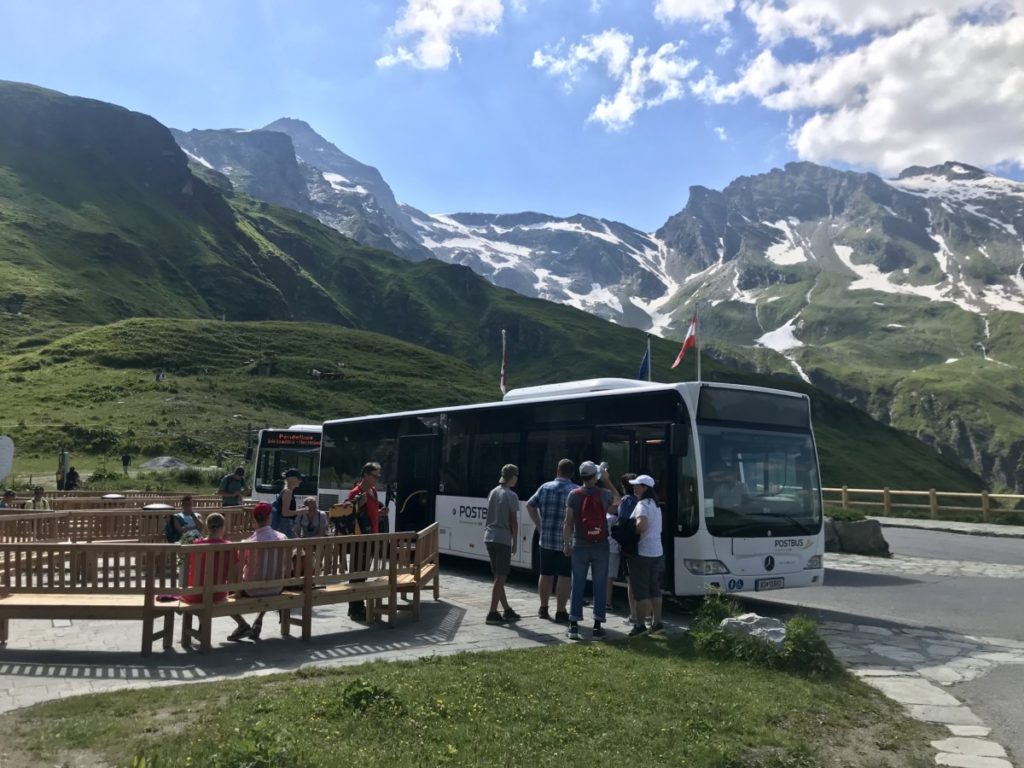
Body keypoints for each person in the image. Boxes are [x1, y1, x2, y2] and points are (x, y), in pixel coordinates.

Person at [563, 461, 620, 641]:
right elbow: (618, 501)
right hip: (600, 545)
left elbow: (568, 522)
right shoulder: (603, 494)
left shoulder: (574, 495)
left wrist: (567, 543)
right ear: (595, 476)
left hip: (580, 544)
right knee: (600, 584)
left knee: (577, 583)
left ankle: (573, 625)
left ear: (581, 476)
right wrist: (607, 480)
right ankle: (597, 626)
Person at [228, 502, 288, 641]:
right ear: (269, 517)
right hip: (276, 588)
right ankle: (259, 618)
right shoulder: (283, 538)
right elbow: (287, 566)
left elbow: (236, 569)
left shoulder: (247, 542)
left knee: (230, 585)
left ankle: (242, 624)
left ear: (254, 519)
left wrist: (237, 591)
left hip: (251, 590)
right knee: (268, 576)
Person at [526, 459, 577, 622]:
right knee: (564, 576)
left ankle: (543, 608)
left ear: (557, 470)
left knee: (545, 574)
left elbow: (530, 505)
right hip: (566, 541)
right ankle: (561, 611)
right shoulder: (575, 490)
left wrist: (540, 524)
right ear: (572, 473)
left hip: (546, 538)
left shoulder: (545, 487)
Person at [345, 462, 383, 621]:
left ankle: (357, 606)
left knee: (363, 573)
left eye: (378, 476)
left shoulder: (373, 491)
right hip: (359, 540)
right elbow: (349, 514)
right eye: (374, 476)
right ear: (366, 475)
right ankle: (355, 608)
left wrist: (381, 513)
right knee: (357, 573)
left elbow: (370, 514)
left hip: (371, 537)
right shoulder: (356, 492)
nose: (376, 479)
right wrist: (359, 503)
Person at [484, 464, 522, 625]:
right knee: (501, 576)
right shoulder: (511, 495)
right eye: (516, 476)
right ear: (512, 477)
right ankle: (492, 612)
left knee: (497, 576)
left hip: (489, 536)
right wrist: (515, 542)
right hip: (502, 538)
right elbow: (513, 521)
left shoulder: (493, 492)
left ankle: (507, 610)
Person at [627, 474, 664, 637]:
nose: (634, 487)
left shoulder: (642, 505)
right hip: (656, 551)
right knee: (654, 588)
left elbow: (641, 526)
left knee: (641, 590)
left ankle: (640, 625)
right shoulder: (656, 505)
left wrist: (627, 531)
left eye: (638, 485)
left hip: (642, 552)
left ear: (646, 488)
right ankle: (657, 622)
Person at [181, 512, 232, 605]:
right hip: (219, 595)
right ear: (222, 528)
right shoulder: (229, 547)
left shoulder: (196, 545)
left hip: (195, 595)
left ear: (207, 528)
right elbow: (234, 572)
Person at [616, 473, 639, 624]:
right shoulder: (644, 501)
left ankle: (634, 616)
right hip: (642, 544)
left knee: (631, 581)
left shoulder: (626, 501)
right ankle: (647, 614)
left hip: (629, 545)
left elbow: (622, 523)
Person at [271, 468, 302, 538]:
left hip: (284, 525)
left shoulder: (285, 491)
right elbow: (285, 513)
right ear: (292, 479)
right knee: (296, 547)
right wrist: (300, 511)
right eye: (299, 478)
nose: (300, 481)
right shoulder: (288, 492)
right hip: (286, 525)